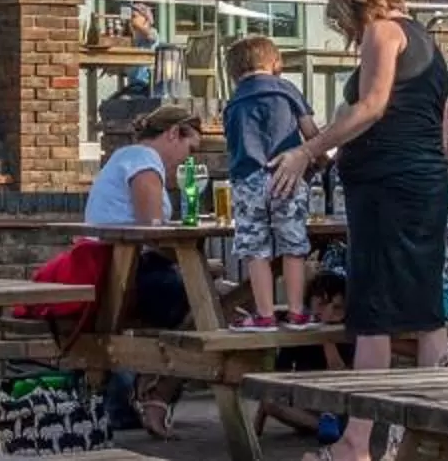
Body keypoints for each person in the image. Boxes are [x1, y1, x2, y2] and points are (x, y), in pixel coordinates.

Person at [269, 0, 448, 461]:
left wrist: (306, 151)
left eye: (341, 20)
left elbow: (372, 107)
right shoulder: (430, 46)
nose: (346, 33)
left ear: (355, 6)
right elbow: (433, 125)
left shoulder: (382, 31)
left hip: (387, 187)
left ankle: (355, 443)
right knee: (424, 313)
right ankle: (445, 437)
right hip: (424, 181)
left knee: (373, 315)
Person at [82, 101, 203, 435]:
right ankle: (156, 394)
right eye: (189, 149)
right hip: (126, 278)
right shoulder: (144, 162)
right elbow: (151, 231)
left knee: (218, 300)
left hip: (115, 272)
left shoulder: (126, 157)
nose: (188, 160)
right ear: (173, 133)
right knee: (219, 306)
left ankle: (150, 390)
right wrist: (196, 262)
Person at [221, 34, 318, 327]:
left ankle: (264, 314)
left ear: (235, 72)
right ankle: (297, 311)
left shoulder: (234, 101)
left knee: (256, 250)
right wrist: (320, 159)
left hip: (247, 179)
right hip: (285, 175)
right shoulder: (287, 90)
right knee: (293, 246)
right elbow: (311, 132)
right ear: (276, 63)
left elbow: (232, 143)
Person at [253, 270, 350, 446]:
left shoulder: (346, 333)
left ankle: (331, 425)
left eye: (336, 308)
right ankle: (321, 426)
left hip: (337, 403)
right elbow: (278, 377)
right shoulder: (299, 333)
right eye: (322, 304)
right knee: (270, 401)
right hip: (306, 404)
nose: (328, 312)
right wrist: (256, 427)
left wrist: (326, 338)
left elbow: (341, 374)